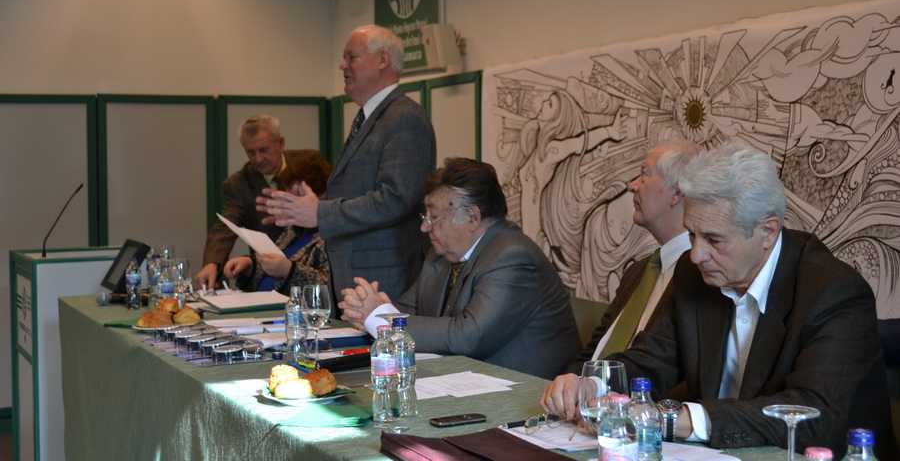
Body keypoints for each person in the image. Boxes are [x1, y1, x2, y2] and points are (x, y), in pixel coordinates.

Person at [551, 141, 899, 458]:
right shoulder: (694, 274)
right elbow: (652, 359)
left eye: (714, 240)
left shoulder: (834, 291)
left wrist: (684, 419)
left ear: (767, 232)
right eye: (691, 234)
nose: (696, 254)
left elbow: (812, 414)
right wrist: (591, 384)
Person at [338, 157, 582, 380]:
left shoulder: (512, 257)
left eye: (433, 217)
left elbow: (468, 337)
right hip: (460, 380)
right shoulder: (440, 255)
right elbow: (407, 310)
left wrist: (382, 319)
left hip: (525, 392)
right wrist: (366, 309)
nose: (424, 227)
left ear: (472, 218)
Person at [258, 25, 436, 300]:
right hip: (356, 276)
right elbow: (355, 193)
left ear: (382, 59)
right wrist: (299, 211)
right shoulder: (372, 116)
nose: (342, 65)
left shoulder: (404, 118)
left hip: (384, 278)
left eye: (351, 57)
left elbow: (396, 198)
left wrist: (320, 212)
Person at [540, 139, 701, 411]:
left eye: (644, 174)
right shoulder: (640, 270)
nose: (632, 185)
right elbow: (594, 350)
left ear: (676, 194)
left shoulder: (702, 276)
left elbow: (665, 367)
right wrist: (572, 386)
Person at [195, 114, 309, 290]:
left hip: (312, 270)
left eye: (263, 150)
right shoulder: (239, 184)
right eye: (250, 152)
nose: (258, 159)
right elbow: (224, 228)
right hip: (269, 276)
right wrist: (211, 263)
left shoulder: (308, 164)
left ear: (280, 143)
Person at [222, 150, 331, 294]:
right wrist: (250, 266)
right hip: (261, 303)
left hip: (291, 308)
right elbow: (271, 271)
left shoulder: (331, 237)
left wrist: (289, 270)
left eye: (295, 198)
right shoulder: (293, 229)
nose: (288, 204)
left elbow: (331, 288)